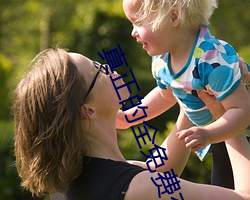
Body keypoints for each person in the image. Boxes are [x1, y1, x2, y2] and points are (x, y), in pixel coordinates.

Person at [13, 48, 250, 200]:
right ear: (88, 110)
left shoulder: (81, 180)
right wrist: (226, 115)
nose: (108, 68)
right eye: (98, 70)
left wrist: (190, 87)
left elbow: (162, 170)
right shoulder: (139, 188)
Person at [119, 0, 250, 189]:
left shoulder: (210, 59)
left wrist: (209, 134)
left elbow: (242, 110)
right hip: (219, 138)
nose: (132, 33)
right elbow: (165, 95)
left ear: (173, 17)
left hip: (239, 135)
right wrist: (129, 116)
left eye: (138, 22)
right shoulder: (162, 60)